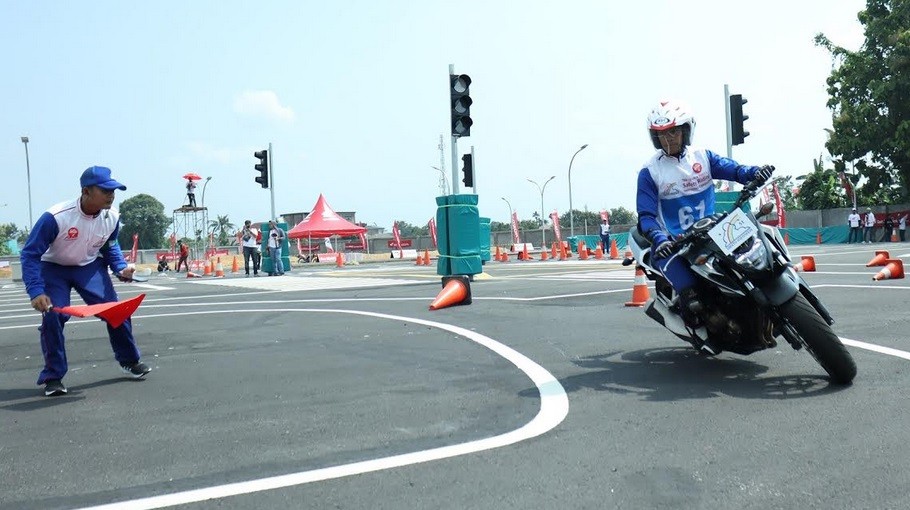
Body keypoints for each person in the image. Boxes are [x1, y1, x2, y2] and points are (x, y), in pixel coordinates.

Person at [636, 99, 771, 328]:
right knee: (693, 297)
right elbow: (646, 216)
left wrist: (756, 172)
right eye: (662, 134)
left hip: (714, 229)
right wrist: (659, 239)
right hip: (676, 241)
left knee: (758, 251)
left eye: (674, 131)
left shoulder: (702, 157)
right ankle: (697, 322)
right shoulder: (650, 172)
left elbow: (735, 170)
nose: (668, 138)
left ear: (686, 130)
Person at [19, 166, 151, 397]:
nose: (111, 195)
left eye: (114, 190)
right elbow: (30, 254)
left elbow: (110, 247)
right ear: (86, 191)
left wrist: (121, 268)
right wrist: (36, 290)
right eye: (105, 190)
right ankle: (53, 376)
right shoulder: (56, 217)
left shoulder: (113, 217)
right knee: (53, 315)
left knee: (117, 312)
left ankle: (129, 360)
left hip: (88, 268)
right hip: (54, 269)